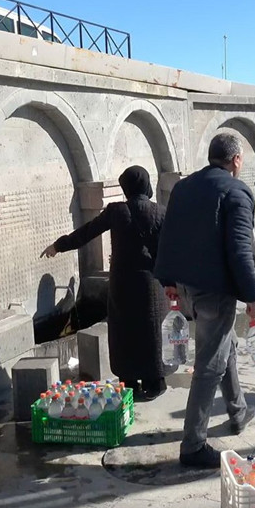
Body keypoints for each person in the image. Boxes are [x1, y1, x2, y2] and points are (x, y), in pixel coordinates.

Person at [154, 133, 255, 468]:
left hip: (186, 286)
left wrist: (168, 280)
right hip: (215, 291)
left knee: (225, 346)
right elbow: (241, 250)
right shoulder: (236, 191)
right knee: (209, 365)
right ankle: (193, 445)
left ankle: (238, 411)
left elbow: (168, 234)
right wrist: (252, 295)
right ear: (236, 160)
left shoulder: (184, 187)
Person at [40, 166, 168, 400]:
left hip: (122, 284)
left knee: (124, 332)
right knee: (151, 332)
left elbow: (87, 232)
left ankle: (129, 382)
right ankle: (155, 382)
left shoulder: (116, 211)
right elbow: (170, 248)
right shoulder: (160, 212)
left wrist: (58, 245)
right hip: (151, 284)